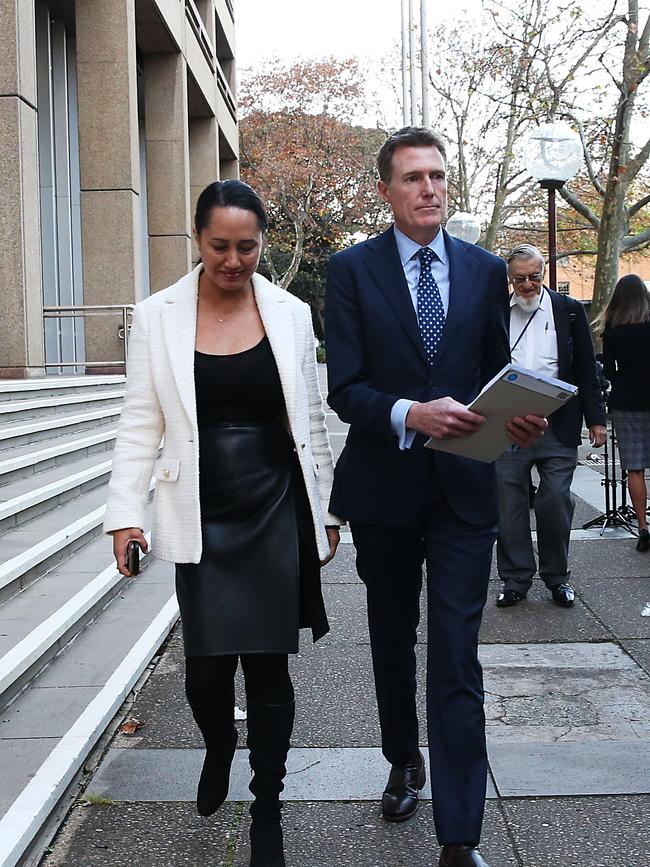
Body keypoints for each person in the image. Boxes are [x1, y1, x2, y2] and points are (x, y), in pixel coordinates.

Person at [325, 127, 545, 867]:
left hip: (463, 490)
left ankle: (460, 832)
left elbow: (493, 370)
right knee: (392, 636)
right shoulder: (350, 270)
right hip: (383, 486)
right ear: (385, 190)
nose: (430, 189)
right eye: (414, 177)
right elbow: (345, 387)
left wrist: (517, 414)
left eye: (439, 176)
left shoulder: (486, 271)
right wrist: (409, 414)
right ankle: (401, 758)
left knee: (456, 653)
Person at [103, 180, 341, 867]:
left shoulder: (292, 313)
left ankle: (268, 806)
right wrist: (126, 515)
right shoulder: (157, 316)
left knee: (268, 669)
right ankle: (216, 742)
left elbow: (312, 425)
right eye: (220, 247)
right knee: (206, 673)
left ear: (261, 242)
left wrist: (326, 511)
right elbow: (138, 424)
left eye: (247, 246)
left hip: (274, 506)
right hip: (202, 511)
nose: (234, 260)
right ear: (197, 239)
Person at [495, 245, 606, 609]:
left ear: (544, 274)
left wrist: (597, 419)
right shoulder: (495, 312)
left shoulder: (569, 310)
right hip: (507, 425)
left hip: (558, 423)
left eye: (534, 277)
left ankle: (558, 578)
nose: (528, 285)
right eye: (520, 278)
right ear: (510, 278)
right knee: (508, 505)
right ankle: (515, 580)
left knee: (555, 499)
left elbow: (587, 368)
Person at [598, 273, 650, 551]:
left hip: (626, 401)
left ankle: (642, 526)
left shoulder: (613, 328)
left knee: (634, 468)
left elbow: (608, 370)